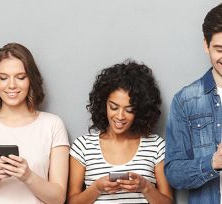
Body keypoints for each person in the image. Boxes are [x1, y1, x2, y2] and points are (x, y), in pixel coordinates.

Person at [0, 42, 69, 204]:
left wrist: (28, 176)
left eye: (20, 77)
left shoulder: (52, 124)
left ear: (31, 80)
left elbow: (58, 198)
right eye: (3, 78)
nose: (12, 85)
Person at [68, 61, 173, 203]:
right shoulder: (83, 146)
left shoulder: (156, 145)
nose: (120, 116)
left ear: (140, 110)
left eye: (129, 110)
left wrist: (145, 187)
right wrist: (97, 188)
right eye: (113, 107)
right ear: (103, 103)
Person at [165, 3, 222, 204]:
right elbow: (173, 173)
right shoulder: (185, 101)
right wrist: (213, 163)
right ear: (206, 46)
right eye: (219, 49)